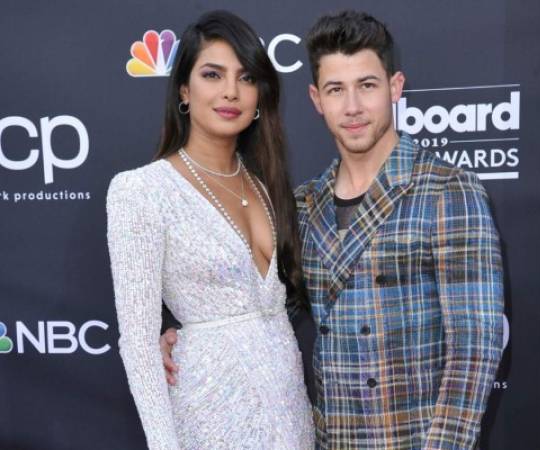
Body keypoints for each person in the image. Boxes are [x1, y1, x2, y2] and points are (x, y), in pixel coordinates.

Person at [162, 9, 504, 450]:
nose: (353, 107)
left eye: (367, 86)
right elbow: (265, 315)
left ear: (394, 88)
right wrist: (186, 338)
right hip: (328, 440)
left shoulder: (447, 190)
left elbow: (474, 348)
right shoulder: (304, 204)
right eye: (336, 89)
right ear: (316, 98)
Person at [106, 10, 314, 450]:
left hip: (289, 416)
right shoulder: (141, 191)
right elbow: (140, 344)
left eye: (246, 77)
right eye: (212, 74)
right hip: (208, 417)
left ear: (261, 94)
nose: (230, 92)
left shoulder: (269, 185)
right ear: (184, 89)